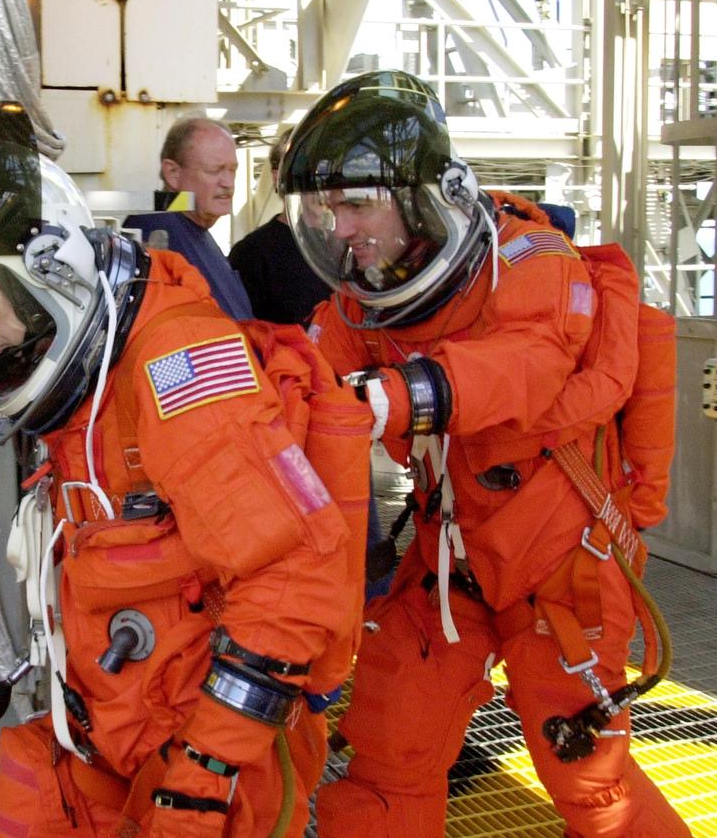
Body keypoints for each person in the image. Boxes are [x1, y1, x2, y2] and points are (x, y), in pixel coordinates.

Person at [0, 101, 365, 837]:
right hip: (102, 737)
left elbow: (292, 579)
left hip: (204, 770)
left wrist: (197, 784)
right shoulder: (91, 377)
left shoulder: (174, 364)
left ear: (47, 274)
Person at [279, 71, 690, 837]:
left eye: (357, 204)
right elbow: (305, 369)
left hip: (561, 577)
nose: (340, 229)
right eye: (328, 209)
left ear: (424, 195)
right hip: (452, 571)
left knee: (593, 787)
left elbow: (528, 367)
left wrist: (396, 396)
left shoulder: (530, 259)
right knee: (386, 761)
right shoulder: (367, 300)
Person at [122, 116, 254, 320]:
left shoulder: (195, 228)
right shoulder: (155, 229)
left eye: (232, 170)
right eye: (214, 170)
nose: (228, 182)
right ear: (173, 173)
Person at [228, 128, 331, 326]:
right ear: (278, 177)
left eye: (326, 171)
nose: (320, 184)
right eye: (308, 172)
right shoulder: (251, 255)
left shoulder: (347, 250)